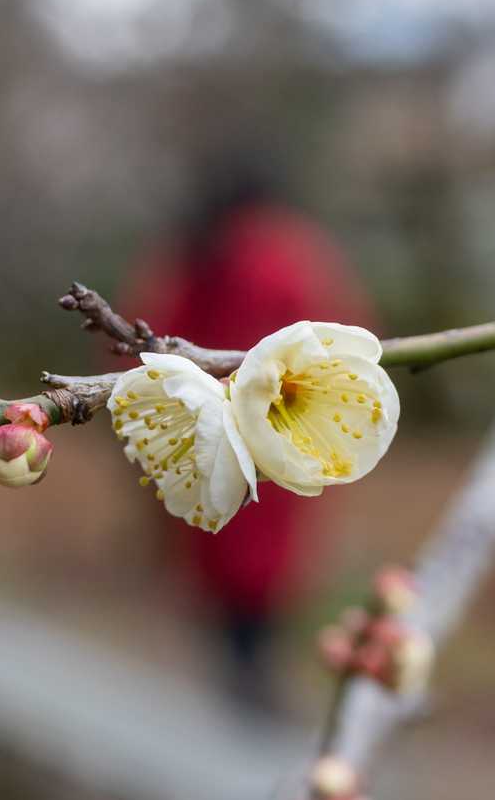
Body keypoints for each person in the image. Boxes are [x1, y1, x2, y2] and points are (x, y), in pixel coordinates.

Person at [124, 156, 373, 717]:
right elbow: (343, 329)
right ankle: (250, 668)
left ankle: (243, 666)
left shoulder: (199, 249)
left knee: (225, 550)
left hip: (213, 428)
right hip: (276, 430)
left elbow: (146, 336)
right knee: (257, 562)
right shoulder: (292, 252)